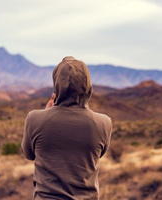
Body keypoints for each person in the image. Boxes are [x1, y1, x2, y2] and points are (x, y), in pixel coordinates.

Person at [21, 56, 112, 200]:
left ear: (57, 84)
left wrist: (46, 113)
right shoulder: (103, 123)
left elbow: (29, 154)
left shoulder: (35, 119)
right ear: (87, 85)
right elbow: (96, 154)